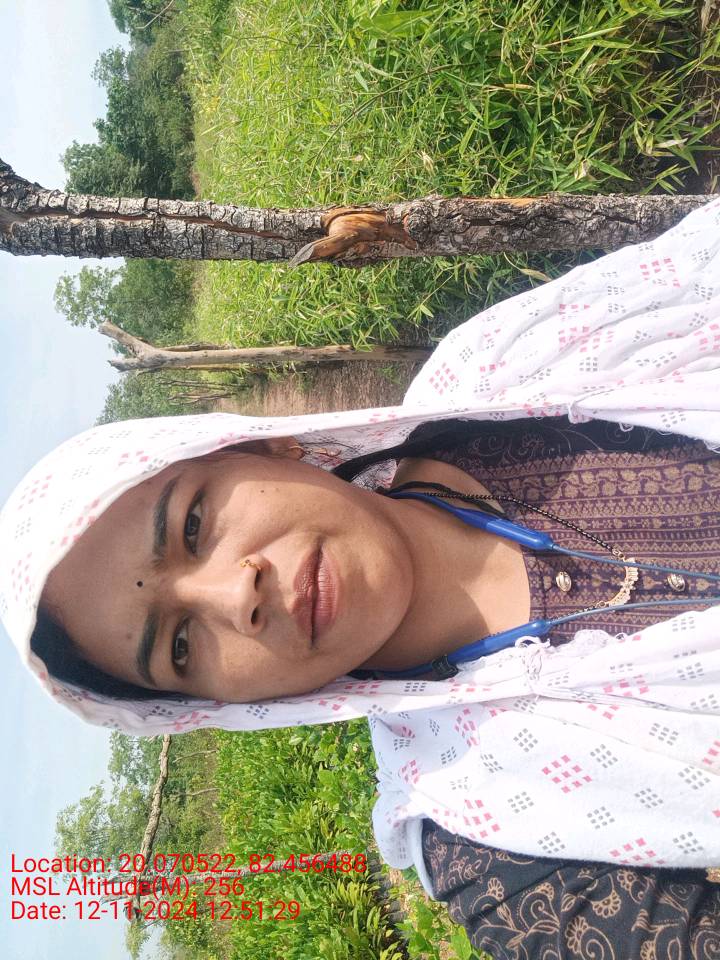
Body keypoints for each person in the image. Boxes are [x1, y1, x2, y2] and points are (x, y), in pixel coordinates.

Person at [2, 198, 720, 957]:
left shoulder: (508, 370)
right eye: (179, 647)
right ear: (217, 705)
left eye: (190, 526)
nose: (236, 596)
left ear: (262, 447)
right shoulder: (493, 839)